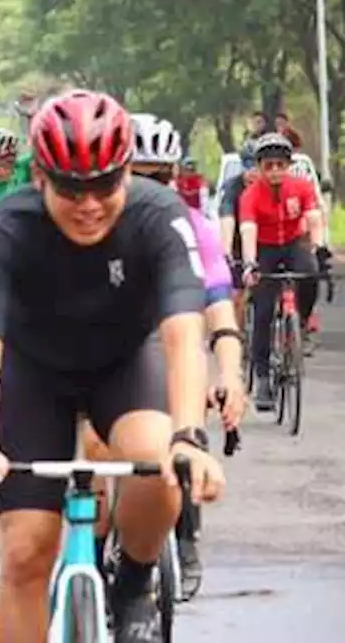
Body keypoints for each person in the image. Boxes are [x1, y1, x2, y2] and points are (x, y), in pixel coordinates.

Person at [0, 90, 225, 643]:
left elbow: (182, 332)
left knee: (158, 458)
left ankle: (135, 581)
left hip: (122, 363)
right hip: (35, 376)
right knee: (26, 550)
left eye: (104, 185)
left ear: (125, 174)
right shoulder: (5, 227)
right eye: (72, 188)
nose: (89, 204)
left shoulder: (158, 215)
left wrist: (190, 435)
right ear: (41, 178)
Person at [80, 112, 244, 600]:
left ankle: (185, 533)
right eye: (143, 176)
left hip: (172, 347)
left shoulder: (195, 227)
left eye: (164, 177)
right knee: (95, 451)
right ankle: (96, 552)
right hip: (108, 353)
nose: (157, 189)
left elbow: (219, 309)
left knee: (183, 435)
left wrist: (231, 374)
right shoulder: (90, 225)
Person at [238, 131, 330, 411]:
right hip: (265, 249)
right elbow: (248, 230)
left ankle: (298, 322)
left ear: (288, 165)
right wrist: (250, 262)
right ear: (260, 168)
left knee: (311, 272)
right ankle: (263, 376)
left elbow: (313, 217)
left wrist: (319, 246)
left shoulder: (301, 187)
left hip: (291, 244)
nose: (275, 171)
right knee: (263, 310)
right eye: (268, 166)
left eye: (280, 164)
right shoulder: (251, 195)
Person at [218, 140, 259, 313]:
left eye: (257, 166)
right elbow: (227, 218)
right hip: (237, 239)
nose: (252, 173)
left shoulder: (273, 185)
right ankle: (238, 336)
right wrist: (226, 252)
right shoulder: (232, 188)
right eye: (248, 166)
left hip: (265, 238)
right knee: (237, 296)